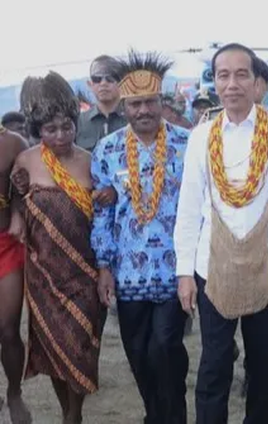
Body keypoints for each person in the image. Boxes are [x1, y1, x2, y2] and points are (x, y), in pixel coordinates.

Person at [174, 42, 268, 424]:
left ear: (256, 82)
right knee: (213, 366)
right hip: (212, 268)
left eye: (241, 74)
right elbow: (188, 209)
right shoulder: (202, 136)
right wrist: (185, 273)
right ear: (215, 82)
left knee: (261, 369)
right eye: (223, 75)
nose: (232, 84)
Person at [91, 49, 190, 424]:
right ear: (124, 105)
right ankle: (155, 414)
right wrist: (103, 266)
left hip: (174, 269)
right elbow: (102, 213)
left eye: (150, 101)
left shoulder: (187, 144)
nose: (143, 110)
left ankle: (174, 413)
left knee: (165, 345)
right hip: (127, 272)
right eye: (135, 104)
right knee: (137, 351)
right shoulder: (109, 149)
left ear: (161, 101)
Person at [10, 71, 108, 424]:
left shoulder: (90, 161)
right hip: (43, 274)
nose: (61, 136)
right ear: (38, 129)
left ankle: (74, 414)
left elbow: (103, 214)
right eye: (51, 129)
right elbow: (19, 206)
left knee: (81, 345)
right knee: (52, 346)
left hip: (84, 272)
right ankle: (69, 414)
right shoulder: (26, 162)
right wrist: (20, 204)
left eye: (66, 126)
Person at [0, 125, 31, 424]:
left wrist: (18, 213)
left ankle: (14, 392)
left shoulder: (12, 142)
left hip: (5, 244)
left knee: (8, 329)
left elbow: (25, 189)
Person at [76, 55, 127, 152]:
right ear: (90, 84)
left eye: (110, 78)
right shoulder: (79, 123)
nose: (103, 83)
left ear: (121, 83)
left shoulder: (132, 119)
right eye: (97, 79)